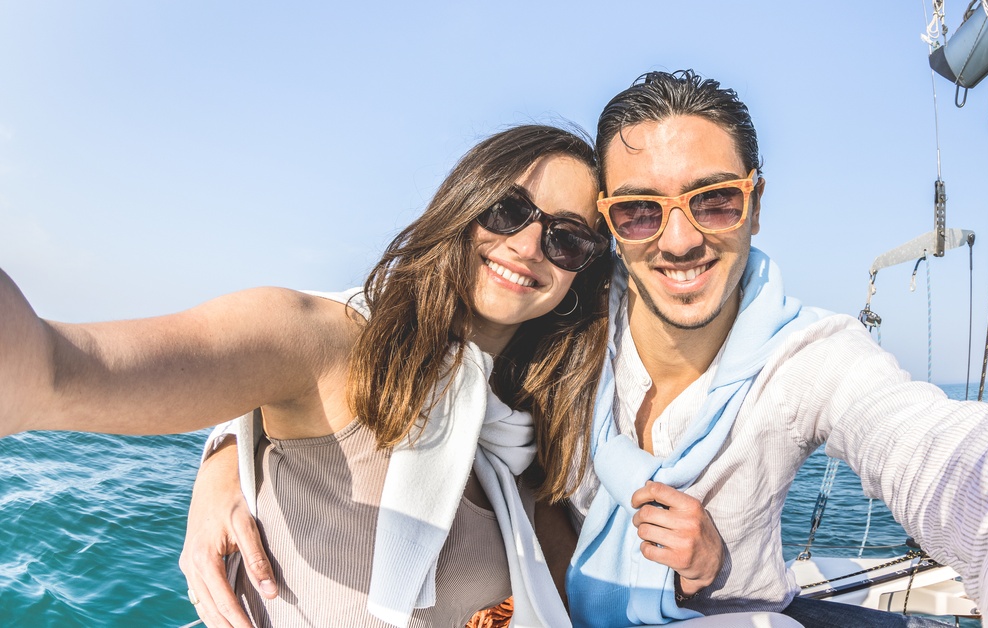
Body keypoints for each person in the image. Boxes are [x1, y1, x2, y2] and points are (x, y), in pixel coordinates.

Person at [186, 71, 988, 628]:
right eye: (638, 213)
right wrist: (230, 450)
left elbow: (942, 453)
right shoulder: (563, 337)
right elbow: (372, 336)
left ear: (757, 201)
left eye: (714, 200)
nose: (680, 239)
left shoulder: (817, 358)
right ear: (608, 234)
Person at [0, 125, 614, 627]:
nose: (531, 244)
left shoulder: (526, 444)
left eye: (568, 239)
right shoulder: (332, 341)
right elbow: (65, 370)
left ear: (579, 277)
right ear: (464, 203)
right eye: (509, 210)